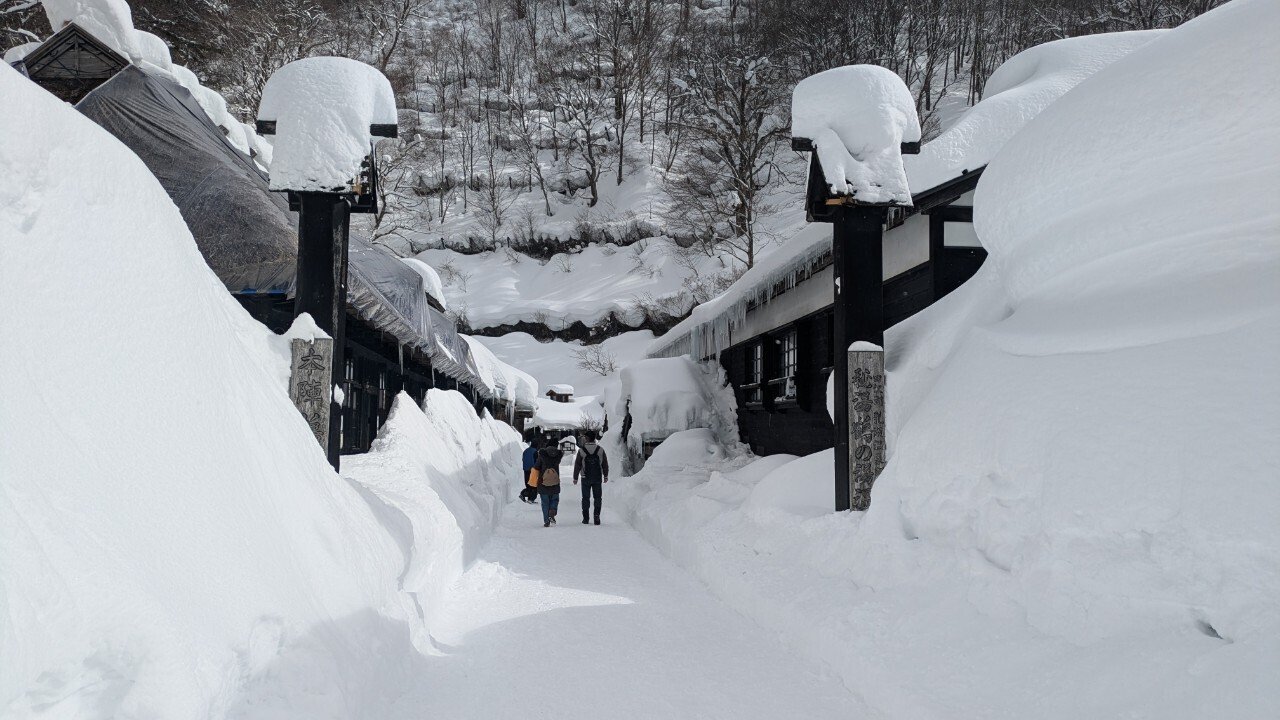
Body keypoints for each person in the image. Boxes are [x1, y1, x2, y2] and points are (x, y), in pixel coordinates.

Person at [573, 430, 609, 525]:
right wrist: (605, 475)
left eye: (585, 438)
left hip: (585, 477)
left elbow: (577, 465)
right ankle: (597, 517)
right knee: (598, 497)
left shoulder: (581, 450)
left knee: (585, 497)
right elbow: (605, 464)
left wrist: (575, 477)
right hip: (597, 477)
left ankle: (586, 518)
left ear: (587, 438)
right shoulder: (600, 450)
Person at [532, 443, 564, 527]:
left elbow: (536, 467)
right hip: (555, 483)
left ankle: (546, 521)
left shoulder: (542, 456)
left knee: (545, 503)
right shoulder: (558, 456)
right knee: (555, 499)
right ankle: (552, 511)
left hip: (543, 483)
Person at [520, 435, 540, 504]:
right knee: (534, 486)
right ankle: (528, 498)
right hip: (532, 471)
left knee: (528, 485)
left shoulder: (525, 451)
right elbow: (537, 462)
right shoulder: (535, 452)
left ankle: (527, 497)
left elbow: (523, 459)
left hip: (525, 470)